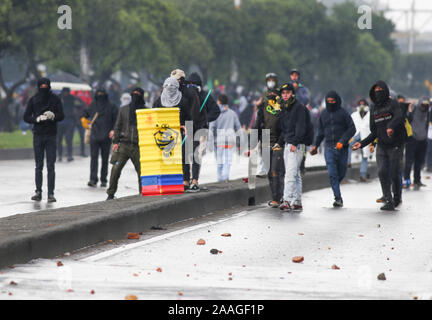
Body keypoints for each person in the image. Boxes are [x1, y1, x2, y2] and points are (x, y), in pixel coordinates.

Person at [353, 81, 406, 211]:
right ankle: (388, 199)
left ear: (385, 90)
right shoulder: (373, 107)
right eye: (376, 89)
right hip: (382, 145)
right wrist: (362, 143)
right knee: (382, 171)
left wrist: (391, 127)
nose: (378, 91)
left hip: (395, 144)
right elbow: (374, 131)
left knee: (394, 173)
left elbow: (399, 117)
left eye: (380, 89)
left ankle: (397, 197)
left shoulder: (392, 103)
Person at [310, 91, 356, 208]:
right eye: (328, 102)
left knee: (341, 172)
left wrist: (342, 141)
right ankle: (338, 197)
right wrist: (315, 145)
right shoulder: (323, 114)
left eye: (333, 101)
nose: (331, 103)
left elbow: (352, 129)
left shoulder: (343, 113)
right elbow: (320, 132)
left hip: (342, 148)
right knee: (332, 173)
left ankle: (335, 186)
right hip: (329, 148)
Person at [23, 78, 64, 203]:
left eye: (46, 86)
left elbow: (62, 115)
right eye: (42, 86)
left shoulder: (55, 99)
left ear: (49, 86)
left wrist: (53, 116)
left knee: (51, 165)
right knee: (38, 165)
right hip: (38, 135)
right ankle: (38, 191)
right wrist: (36, 119)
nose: (44, 88)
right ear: (38, 86)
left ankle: (51, 193)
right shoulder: (33, 100)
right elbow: (26, 117)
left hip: (51, 135)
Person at [278, 83, 314, 212]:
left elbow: (301, 127)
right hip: (289, 143)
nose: (285, 95)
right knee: (296, 174)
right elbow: (285, 129)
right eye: (283, 93)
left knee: (290, 174)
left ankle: (287, 200)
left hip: (297, 145)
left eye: (288, 93)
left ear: (292, 94)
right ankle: (297, 201)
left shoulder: (299, 108)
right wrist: (279, 142)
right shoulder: (285, 108)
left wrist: (295, 142)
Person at [106, 88, 147, 200]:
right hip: (124, 145)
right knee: (115, 169)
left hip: (139, 146)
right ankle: (110, 194)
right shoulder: (124, 110)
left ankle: (143, 193)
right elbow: (118, 126)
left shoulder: (146, 111)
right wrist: (115, 142)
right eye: (133, 94)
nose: (135, 97)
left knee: (142, 172)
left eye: (138, 95)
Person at [254, 86, 284, 208]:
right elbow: (257, 125)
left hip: (278, 142)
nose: (271, 95)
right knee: (270, 173)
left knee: (276, 171)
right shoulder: (263, 108)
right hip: (265, 140)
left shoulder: (281, 109)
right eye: (269, 93)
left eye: (274, 93)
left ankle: (279, 197)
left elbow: (284, 127)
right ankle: (275, 197)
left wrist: (281, 141)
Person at [81, 88, 118, 188]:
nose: (100, 95)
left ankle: (101, 179)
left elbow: (116, 121)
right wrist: (85, 123)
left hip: (104, 136)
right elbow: (84, 115)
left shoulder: (98, 105)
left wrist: (113, 130)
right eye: (99, 94)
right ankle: (96, 179)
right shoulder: (109, 106)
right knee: (97, 158)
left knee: (102, 159)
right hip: (98, 136)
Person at [209, 94, 241, 182]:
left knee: (219, 163)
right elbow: (238, 127)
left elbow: (211, 128)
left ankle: (220, 179)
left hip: (218, 142)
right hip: (230, 141)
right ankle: (225, 177)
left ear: (218, 102)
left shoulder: (215, 114)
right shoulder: (232, 113)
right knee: (228, 161)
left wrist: (210, 142)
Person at [403, 97, 430, 190]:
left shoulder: (427, 112)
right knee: (409, 161)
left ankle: (417, 180)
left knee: (419, 162)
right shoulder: (414, 109)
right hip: (412, 138)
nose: (424, 106)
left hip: (423, 140)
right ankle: (406, 179)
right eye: (423, 104)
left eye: (427, 105)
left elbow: (427, 124)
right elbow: (408, 118)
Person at [350, 99, 373, 182]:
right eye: (360, 104)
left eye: (364, 104)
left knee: (364, 156)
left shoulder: (370, 115)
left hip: (366, 138)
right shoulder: (354, 115)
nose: (362, 106)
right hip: (355, 136)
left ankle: (363, 174)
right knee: (349, 146)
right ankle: (348, 162)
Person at [57, 88, 77, 162]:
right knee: (59, 140)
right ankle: (59, 155)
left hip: (69, 121)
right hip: (60, 122)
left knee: (69, 139)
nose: (65, 93)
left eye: (66, 92)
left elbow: (78, 105)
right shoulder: (58, 98)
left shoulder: (72, 98)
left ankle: (69, 155)